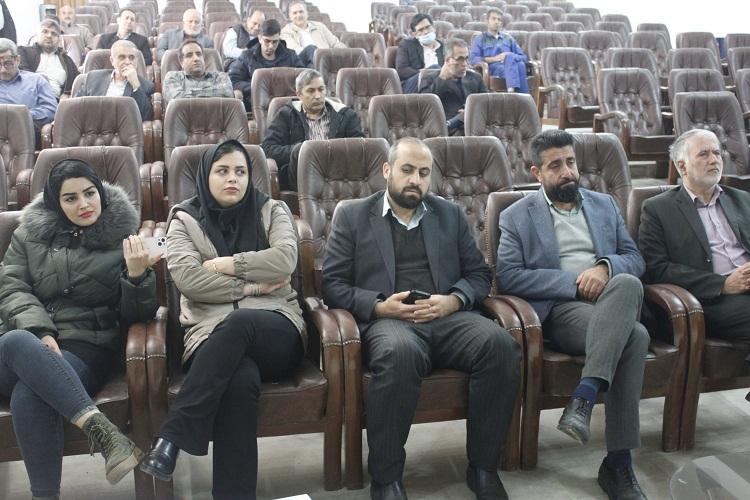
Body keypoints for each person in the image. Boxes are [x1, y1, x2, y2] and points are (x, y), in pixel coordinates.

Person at [321, 137, 521, 500]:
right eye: (407, 170)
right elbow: (332, 284)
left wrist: (454, 300)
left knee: (500, 345)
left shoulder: (449, 214)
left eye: (424, 173)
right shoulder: (353, 216)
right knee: (399, 354)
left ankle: (483, 468)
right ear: (387, 171)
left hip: (446, 317)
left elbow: (479, 275)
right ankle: (386, 478)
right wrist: (379, 306)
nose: (415, 180)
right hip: (389, 321)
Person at [139, 140, 305, 500]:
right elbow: (190, 280)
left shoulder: (272, 209)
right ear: (205, 175)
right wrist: (254, 286)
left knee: (241, 322)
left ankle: (172, 437)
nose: (233, 178)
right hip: (208, 336)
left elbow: (284, 260)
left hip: (275, 328)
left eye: (241, 171)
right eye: (223, 171)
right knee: (238, 381)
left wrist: (230, 264)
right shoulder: (183, 219)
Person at [496, 130, 648, 500]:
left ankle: (584, 397)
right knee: (636, 337)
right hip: (563, 310)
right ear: (536, 172)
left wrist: (604, 268)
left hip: (613, 299)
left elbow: (634, 258)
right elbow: (509, 276)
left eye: (570, 162)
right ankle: (619, 463)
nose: (567, 172)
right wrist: (576, 283)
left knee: (627, 282)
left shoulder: (604, 204)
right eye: (555, 166)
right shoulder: (516, 216)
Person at [0, 159, 159, 499]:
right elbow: (11, 288)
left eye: (89, 193)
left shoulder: (123, 238)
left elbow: (137, 316)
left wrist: (136, 277)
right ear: (55, 203)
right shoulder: (27, 235)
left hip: (87, 344)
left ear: (101, 192)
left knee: (29, 393)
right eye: (70, 198)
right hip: (25, 342)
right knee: (15, 340)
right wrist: (42, 333)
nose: (84, 204)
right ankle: (104, 433)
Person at [640, 129, 750, 341]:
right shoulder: (657, 209)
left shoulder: (741, 199)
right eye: (704, 154)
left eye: (717, 153)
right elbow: (657, 269)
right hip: (711, 300)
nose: (714, 160)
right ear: (682, 166)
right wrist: (723, 285)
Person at [261, 68, 363, 192]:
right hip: (301, 177)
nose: (317, 96)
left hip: (339, 176)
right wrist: (302, 150)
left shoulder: (346, 115)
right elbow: (268, 148)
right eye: (311, 91)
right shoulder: (287, 115)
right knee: (299, 150)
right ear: (299, 94)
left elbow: (360, 148)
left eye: (321, 89)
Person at [229, 19, 304, 111]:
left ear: (279, 39)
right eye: (267, 41)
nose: (271, 46)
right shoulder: (247, 57)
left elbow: (304, 78)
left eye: (275, 42)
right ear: (260, 38)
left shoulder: (290, 56)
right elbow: (233, 80)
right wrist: (258, 86)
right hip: (257, 103)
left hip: (288, 105)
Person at [419, 38, 487, 135]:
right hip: (445, 131)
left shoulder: (475, 78)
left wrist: (470, 113)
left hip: (475, 128)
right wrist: (442, 79)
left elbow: (487, 105)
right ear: (447, 60)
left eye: (466, 58)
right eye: (460, 59)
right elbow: (424, 108)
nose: (465, 64)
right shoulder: (429, 78)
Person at [75, 40, 154, 121]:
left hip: (122, 127)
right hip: (91, 124)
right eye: (122, 57)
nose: (127, 62)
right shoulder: (93, 78)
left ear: (136, 61)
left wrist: (135, 86)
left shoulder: (146, 86)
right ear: (112, 61)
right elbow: (75, 107)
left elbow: (146, 116)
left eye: (131, 58)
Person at [0, 38, 56, 145]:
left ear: (18, 60)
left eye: (8, 63)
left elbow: (51, 110)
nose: (3, 70)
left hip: (26, 134)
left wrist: (22, 115)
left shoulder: (36, 81)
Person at [469, 8, 528, 93]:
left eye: (499, 19)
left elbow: (524, 57)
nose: (496, 22)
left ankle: (512, 90)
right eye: (493, 19)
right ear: (487, 21)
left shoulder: (508, 38)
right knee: (520, 66)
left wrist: (509, 56)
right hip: (494, 68)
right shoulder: (480, 39)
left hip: (511, 66)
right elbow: (472, 59)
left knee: (518, 63)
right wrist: (494, 59)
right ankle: (522, 97)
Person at [18, 19, 79, 99]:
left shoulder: (67, 61)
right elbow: (22, 74)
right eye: (45, 31)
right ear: (36, 35)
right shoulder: (24, 52)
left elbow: (78, 81)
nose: (49, 36)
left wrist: (68, 93)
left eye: (54, 34)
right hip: (29, 95)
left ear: (58, 39)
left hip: (56, 100)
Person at [162, 40, 236, 104]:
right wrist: (213, 93)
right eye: (189, 55)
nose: (196, 58)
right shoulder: (172, 77)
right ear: (181, 62)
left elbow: (227, 94)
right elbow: (177, 100)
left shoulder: (220, 76)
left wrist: (188, 93)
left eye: (199, 54)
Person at [280, 0, 345, 67]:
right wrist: (318, 55)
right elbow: (295, 51)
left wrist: (345, 52)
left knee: (312, 65)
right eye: (295, 13)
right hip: (301, 62)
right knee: (311, 49)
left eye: (301, 12)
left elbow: (335, 43)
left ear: (307, 13)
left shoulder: (320, 26)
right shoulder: (286, 31)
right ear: (290, 16)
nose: (298, 15)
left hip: (323, 60)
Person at [396, 13, 444, 93]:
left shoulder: (443, 46)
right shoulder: (407, 45)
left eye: (428, 27)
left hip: (438, 86)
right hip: (414, 85)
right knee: (435, 68)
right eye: (421, 30)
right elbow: (401, 70)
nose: (426, 32)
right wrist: (426, 74)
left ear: (433, 28)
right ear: (415, 35)